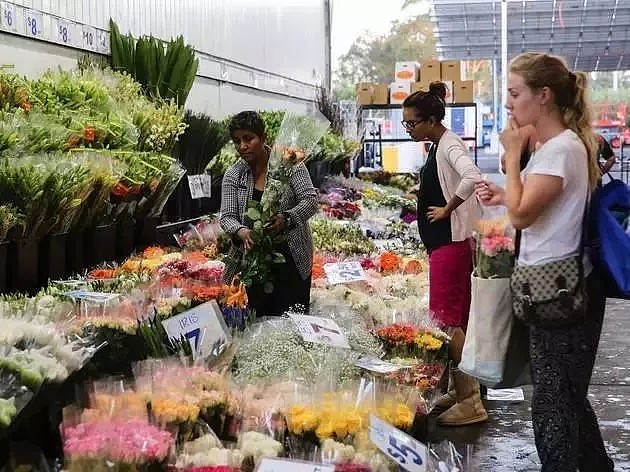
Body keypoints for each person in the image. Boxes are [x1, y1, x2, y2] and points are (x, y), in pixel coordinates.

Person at [475, 53, 614, 472]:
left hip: (558, 294)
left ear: (544, 96)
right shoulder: (565, 146)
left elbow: (521, 217)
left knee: (552, 408)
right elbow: (533, 207)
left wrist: (514, 156)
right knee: (567, 397)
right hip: (558, 289)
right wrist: (507, 192)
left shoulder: (558, 151)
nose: (509, 105)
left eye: (515, 94)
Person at [401, 82, 488, 426]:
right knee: (457, 320)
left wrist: (448, 208)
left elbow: (472, 176)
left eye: (412, 123)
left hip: (449, 247)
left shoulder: (449, 144)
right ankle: (462, 386)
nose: (409, 129)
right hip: (448, 246)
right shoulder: (439, 144)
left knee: (447, 323)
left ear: (432, 119)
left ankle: (471, 401)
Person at [219, 111, 319, 316]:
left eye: (248, 139)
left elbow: (310, 200)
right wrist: (241, 231)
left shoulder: (289, 163)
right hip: (255, 261)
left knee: (293, 319)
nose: (242, 146)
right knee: (259, 320)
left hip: (292, 257)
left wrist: (287, 218)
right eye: (237, 141)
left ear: (263, 137)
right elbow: (227, 217)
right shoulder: (234, 174)